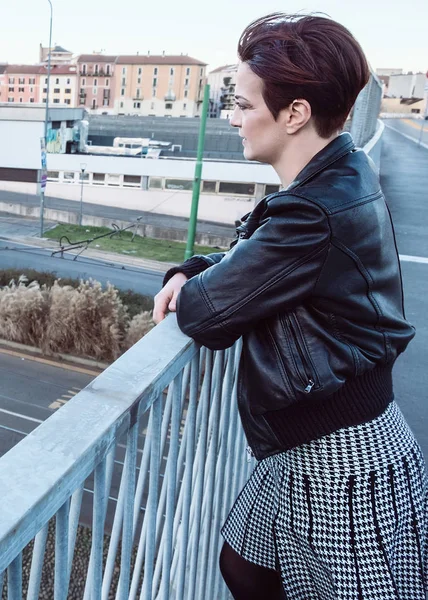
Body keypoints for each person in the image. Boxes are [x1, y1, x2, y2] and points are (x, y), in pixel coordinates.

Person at [153, 12, 427, 600]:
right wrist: (192, 270)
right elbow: (251, 260)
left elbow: (208, 315)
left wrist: (193, 283)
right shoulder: (335, 177)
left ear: (295, 113)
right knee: (245, 565)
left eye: (246, 105)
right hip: (311, 439)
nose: (234, 118)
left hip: (342, 463)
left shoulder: (312, 212)